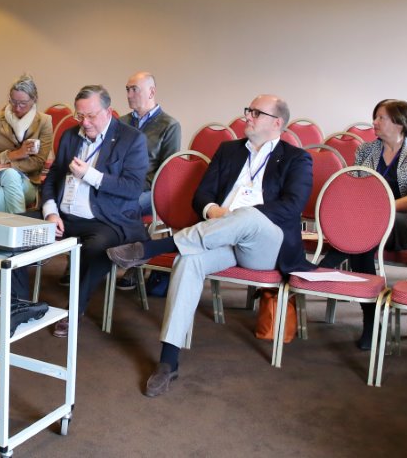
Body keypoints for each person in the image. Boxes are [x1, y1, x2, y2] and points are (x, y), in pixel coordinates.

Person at [107, 95, 313, 397]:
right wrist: (213, 211)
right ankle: (168, 360)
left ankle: (151, 248)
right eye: (248, 110)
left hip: (264, 245)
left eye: (256, 113)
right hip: (220, 236)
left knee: (248, 216)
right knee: (188, 261)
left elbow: (291, 207)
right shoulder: (228, 151)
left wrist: (240, 216)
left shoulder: (297, 158)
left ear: (277, 122)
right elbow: (202, 196)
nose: (248, 116)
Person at [316, 99, 407, 350]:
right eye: (375, 117)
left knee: (362, 232)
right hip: (367, 220)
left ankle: (324, 265)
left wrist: (383, 208)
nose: (375, 122)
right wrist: (369, 211)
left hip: (404, 221)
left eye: (382, 118)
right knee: (364, 236)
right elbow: (354, 186)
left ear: (400, 122)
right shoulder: (365, 150)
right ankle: (371, 319)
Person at [31, 85, 148, 337]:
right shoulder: (70, 136)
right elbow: (52, 178)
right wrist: (50, 212)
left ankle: (75, 310)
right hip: (63, 216)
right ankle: (15, 302)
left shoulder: (131, 139)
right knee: (15, 229)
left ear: (108, 111)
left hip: (106, 220)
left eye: (91, 116)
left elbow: (132, 188)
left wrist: (91, 175)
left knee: (97, 248)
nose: (84, 123)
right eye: (80, 116)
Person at [117, 71, 182, 290]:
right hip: (118, 186)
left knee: (126, 206)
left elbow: (167, 172)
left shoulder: (169, 125)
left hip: (149, 190)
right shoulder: (121, 123)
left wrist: (131, 188)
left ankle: (137, 261)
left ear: (151, 92)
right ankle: (83, 258)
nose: (129, 94)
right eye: (127, 89)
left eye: (134, 89)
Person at [0, 74, 53, 214]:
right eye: (13, 102)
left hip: (28, 181)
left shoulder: (44, 121)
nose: (17, 108)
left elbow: (38, 162)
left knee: (0, 193)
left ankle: (5, 227)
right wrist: (16, 154)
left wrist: (2, 166)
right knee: (10, 175)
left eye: (23, 103)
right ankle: (20, 225)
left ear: (34, 99)